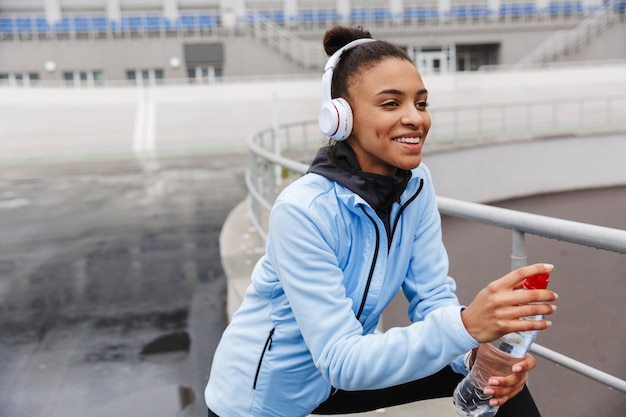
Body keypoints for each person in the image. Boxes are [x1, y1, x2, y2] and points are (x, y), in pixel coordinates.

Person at [204, 26, 558, 417]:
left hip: (339, 376)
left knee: (499, 386)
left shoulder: (416, 185)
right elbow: (340, 359)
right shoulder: (303, 210)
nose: (414, 118)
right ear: (340, 117)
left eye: (421, 104)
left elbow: (433, 299)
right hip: (265, 403)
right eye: (391, 104)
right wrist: (468, 325)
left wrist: (477, 355)